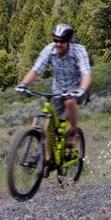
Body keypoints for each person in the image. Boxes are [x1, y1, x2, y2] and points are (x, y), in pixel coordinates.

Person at [16, 23, 91, 170]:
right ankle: (46, 158)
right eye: (56, 40)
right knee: (49, 123)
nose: (58, 44)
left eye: (61, 41)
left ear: (69, 41)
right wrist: (24, 84)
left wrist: (82, 89)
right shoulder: (50, 50)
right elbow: (36, 70)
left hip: (77, 87)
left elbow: (86, 74)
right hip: (58, 89)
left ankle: (73, 132)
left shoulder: (79, 51)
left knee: (70, 102)